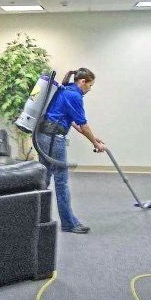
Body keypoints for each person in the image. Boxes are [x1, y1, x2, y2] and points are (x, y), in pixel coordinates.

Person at [37, 68, 107, 234]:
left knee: (43, 179)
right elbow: (83, 124)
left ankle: (35, 218)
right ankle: (69, 224)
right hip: (54, 139)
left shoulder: (65, 89)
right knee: (61, 182)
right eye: (90, 85)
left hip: (44, 136)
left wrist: (94, 139)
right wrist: (96, 145)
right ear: (82, 81)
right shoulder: (74, 95)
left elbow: (74, 122)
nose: (90, 89)